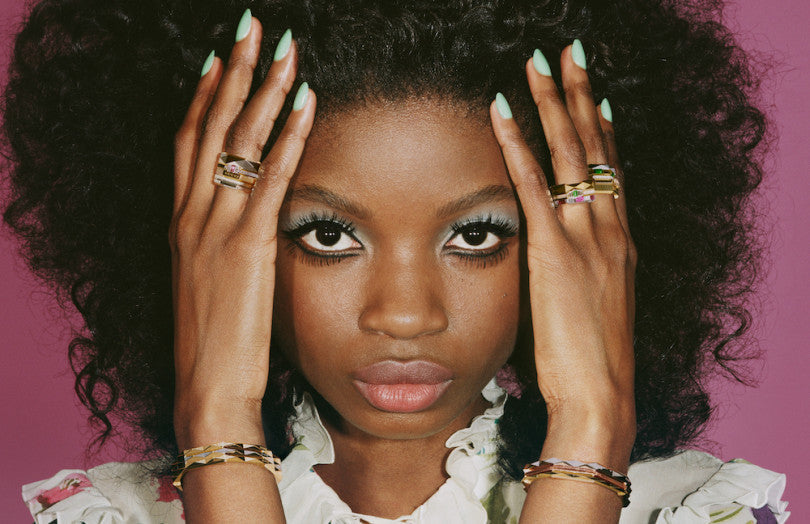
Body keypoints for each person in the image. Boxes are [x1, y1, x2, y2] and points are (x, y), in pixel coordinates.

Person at [2, 0, 789, 522]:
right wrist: (216, 428)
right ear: (214, 252)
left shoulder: (686, 511)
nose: (405, 314)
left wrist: (591, 435)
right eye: (328, 236)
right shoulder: (118, 515)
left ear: (586, 255)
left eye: (475, 236)